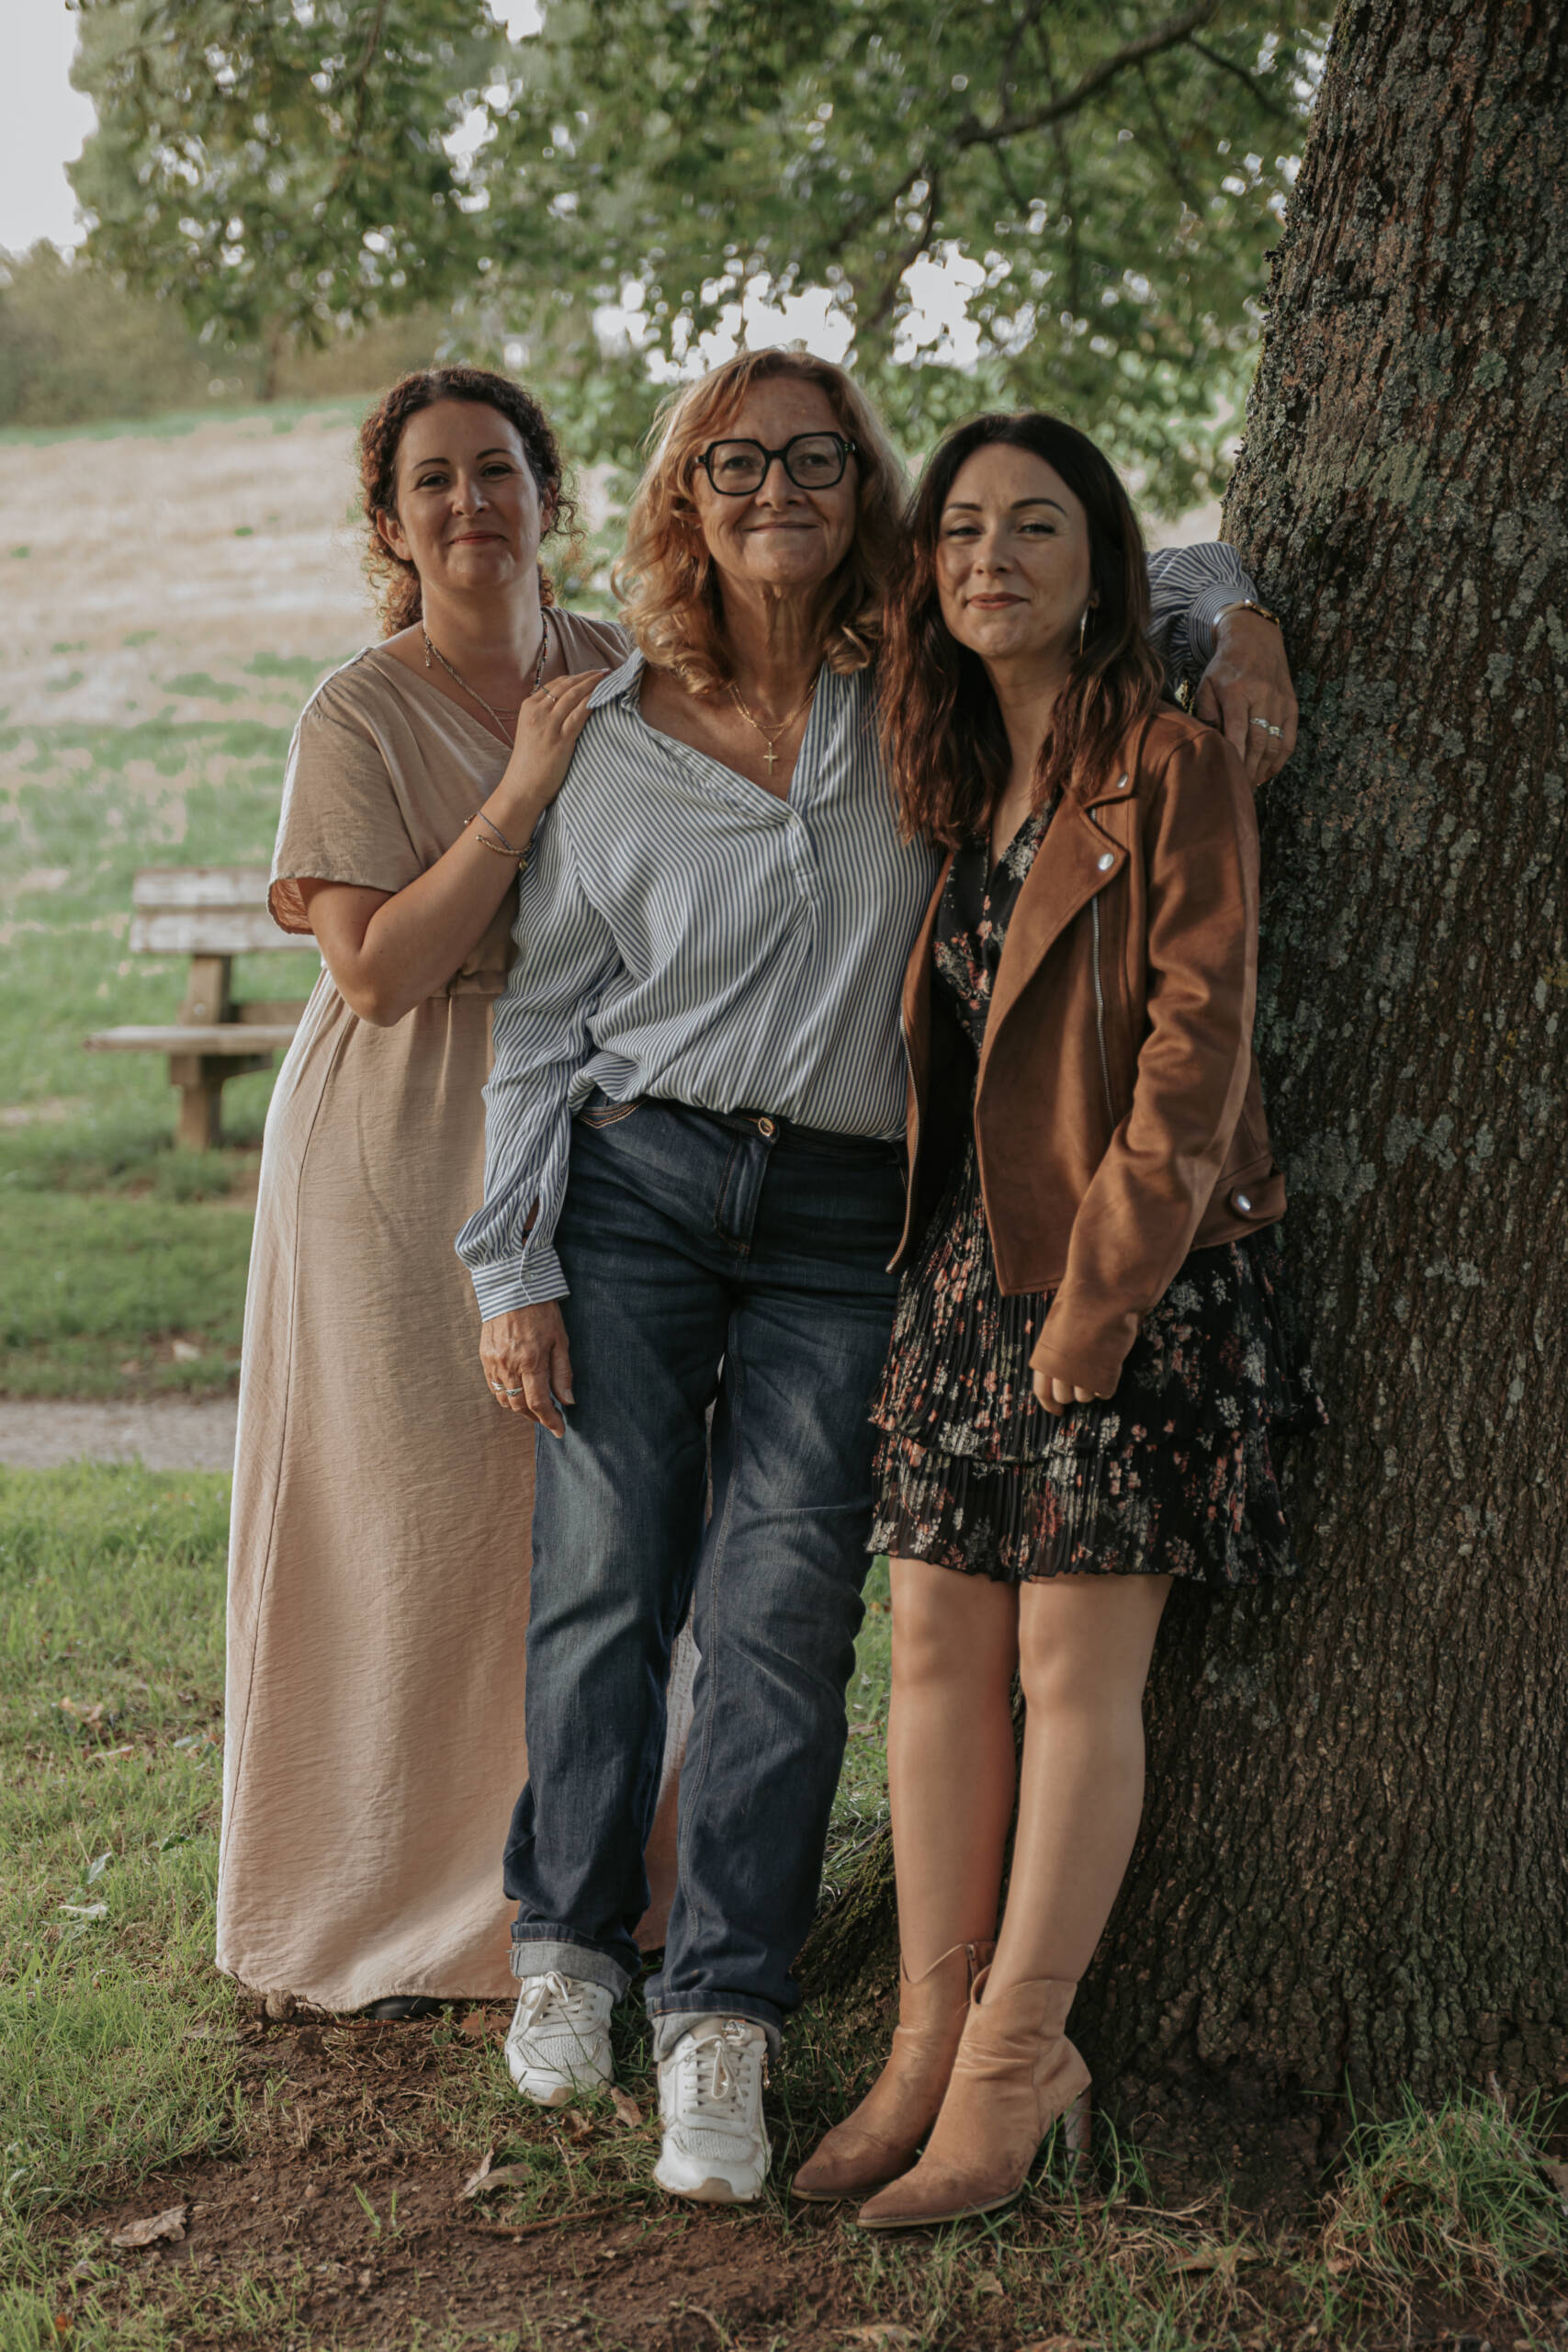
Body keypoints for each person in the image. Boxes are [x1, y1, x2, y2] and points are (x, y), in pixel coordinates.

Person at [457, 350, 1300, 2200]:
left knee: (796, 1613)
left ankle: (770, 2023)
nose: (776, 488)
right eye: (733, 460)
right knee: (669, 1593)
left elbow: (1122, 570)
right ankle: (619, 1962)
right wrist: (504, 1246)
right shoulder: (691, 722)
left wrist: (1238, 615)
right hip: (732, 1210)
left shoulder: (948, 706)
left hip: (921, 1237)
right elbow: (534, 1017)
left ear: (861, 496)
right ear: (683, 490)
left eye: (818, 460)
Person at [790, 413, 1327, 2230]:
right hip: (961, 1276)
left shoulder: (1167, 760)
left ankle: (1021, 2052)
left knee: (1066, 1672)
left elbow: (1191, 1052)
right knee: (933, 1658)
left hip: (1140, 1268)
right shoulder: (954, 767)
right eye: (958, 530)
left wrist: (1101, 1298)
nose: (988, 557)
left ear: (1101, 565)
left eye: (1033, 527)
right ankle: (925, 2040)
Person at [218, 365, 689, 2016]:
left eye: (498, 471)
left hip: (601, 1114)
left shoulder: (630, 667)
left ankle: (583, 1895)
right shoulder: (359, 711)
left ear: (547, 494)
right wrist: (520, 793)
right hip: (399, 1135)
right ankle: (387, 1910)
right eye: (434, 482)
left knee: (583, 1519)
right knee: (409, 1519)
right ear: (389, 524)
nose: (472, 504)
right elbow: (380, 973)